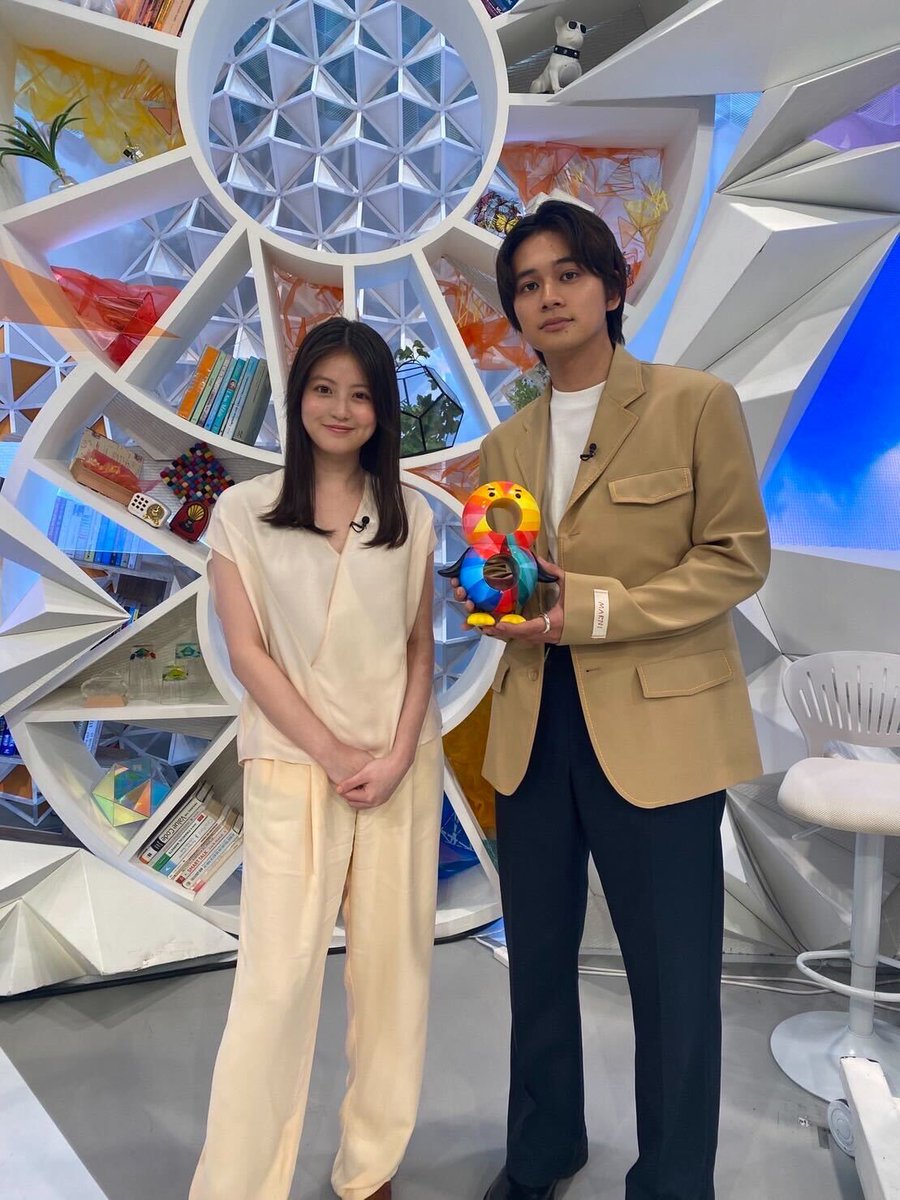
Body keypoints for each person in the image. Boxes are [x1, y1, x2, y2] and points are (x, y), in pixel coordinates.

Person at [455, 200, 771, 1200]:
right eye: (526, 285)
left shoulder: (694, 404)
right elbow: (513, 581)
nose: (547, 296)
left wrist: (586, 610)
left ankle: (674, 1182)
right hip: (533, 731)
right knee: (539, 963)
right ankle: (542, 1150)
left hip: (660, 731)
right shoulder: (505, 444)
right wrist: (494, 604)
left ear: (612, 286)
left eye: (567, 274)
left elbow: (736, 559)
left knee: (674, 979)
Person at [190, 317, 444, 1200]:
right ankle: (236, 1184)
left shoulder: (412, 516)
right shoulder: (243, 513)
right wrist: (333, 753)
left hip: (400, 769)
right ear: (298, 397)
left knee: (395, 980)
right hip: (294, 769)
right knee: (275, 985)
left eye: (362, 394)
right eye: (326, 389)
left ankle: (370, 1168)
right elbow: (247, 654)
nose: (342, 409)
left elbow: (422, 650)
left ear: (383, 410)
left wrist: (399, 752)